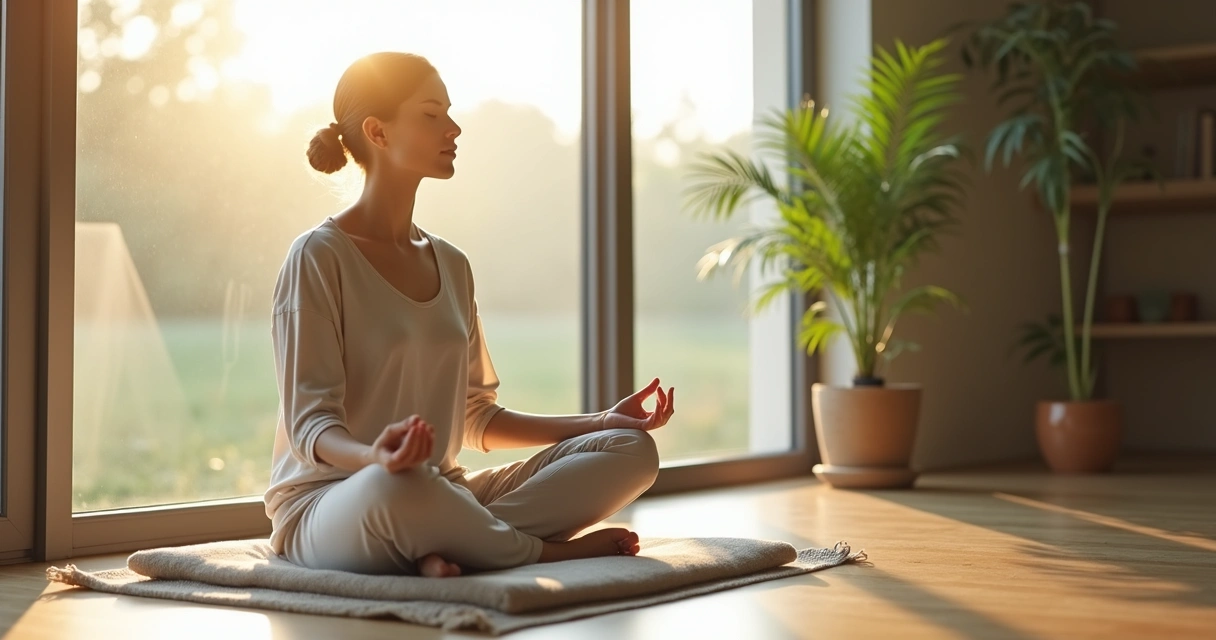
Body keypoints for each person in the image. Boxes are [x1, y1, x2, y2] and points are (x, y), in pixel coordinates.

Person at [262, 52, 676, 578]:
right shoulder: (318, 257)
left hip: (440, 492)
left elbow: (476, 417)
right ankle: (544, 553)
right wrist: (377, 458)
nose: (453, 128)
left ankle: (451, 546)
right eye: (431, 114)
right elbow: (311, 429)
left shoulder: (452, 264)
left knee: (632, 451)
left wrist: (600, 421)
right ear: (378, 132)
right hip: (334, 505)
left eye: (450, 113)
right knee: (402, 486)